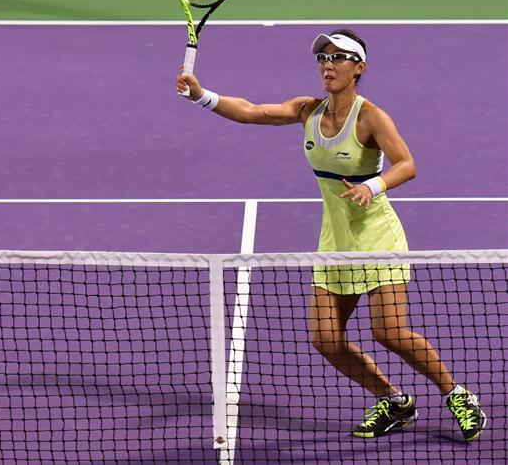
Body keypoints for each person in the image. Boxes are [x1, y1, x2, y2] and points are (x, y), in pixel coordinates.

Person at [176, 29, 487, 441]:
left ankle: (457, 395)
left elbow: (406, 164)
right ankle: (394, 401)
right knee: (325, 338)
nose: (328, 65)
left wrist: (370, 186)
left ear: (359, 68)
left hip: (377, 236)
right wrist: (202, 95)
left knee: (389, 331)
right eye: (323, 58)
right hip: (335, 240)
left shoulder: (371, 116)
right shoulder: (308, 109)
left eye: (339, 58)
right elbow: (252, 110)